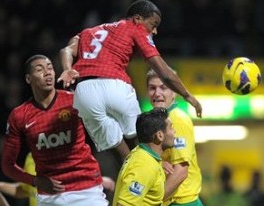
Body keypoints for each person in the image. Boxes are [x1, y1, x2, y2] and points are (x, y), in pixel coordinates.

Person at [1, 54, 113, 206]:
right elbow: (8, 166)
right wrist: (35, 180)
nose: (48, 72)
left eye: (51, 67)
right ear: (28, 78)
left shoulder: (74, 100)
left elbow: (104, 115)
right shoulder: (19, 115)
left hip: (86, 191)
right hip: (50, 199)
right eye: (40, 69)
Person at [58, 0, 202, 160]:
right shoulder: (135, 28)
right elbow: (163, 71)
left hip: (83, 92)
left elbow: (66, 50)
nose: (154, 31)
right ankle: (154, 168)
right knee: (143, 137)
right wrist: (187, 95)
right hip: (114, 85)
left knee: (112, 138)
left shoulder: (88, 32)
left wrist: (67, 69)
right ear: (138, 19)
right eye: (153, 25)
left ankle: (130, 164)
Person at [146, 68, 206, 206]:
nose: (157, 93)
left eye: (164, 87)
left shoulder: (176, 120)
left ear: (174, 91)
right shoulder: (156, 120)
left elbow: (180, 172)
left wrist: (149, 203)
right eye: (152, 88)